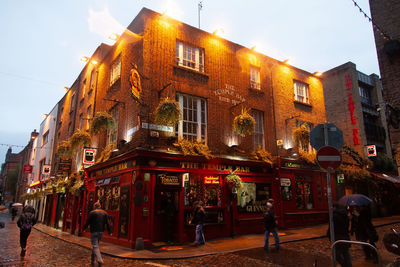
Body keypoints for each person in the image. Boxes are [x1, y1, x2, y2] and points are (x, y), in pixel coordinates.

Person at [83, 202, 111, 267]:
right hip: (101, 232)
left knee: (95, 245)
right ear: (100, 206)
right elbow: (108, 223)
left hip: (94, 231)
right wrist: (110, 232)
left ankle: (99, 260)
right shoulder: (104, 213)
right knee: (96, 245)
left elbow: (87, 222)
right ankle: (92, 260)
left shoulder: (92, 213)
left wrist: (83, 228)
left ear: (94, 206)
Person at [327, 203, 352, 267]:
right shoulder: (345, 215)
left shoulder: (334, 216)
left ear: (334, 207)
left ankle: (345, 265)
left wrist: (329, 235)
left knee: (336, 255)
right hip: (345, 236)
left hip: (338, 237)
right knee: (346, 253)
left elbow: (331, 228)